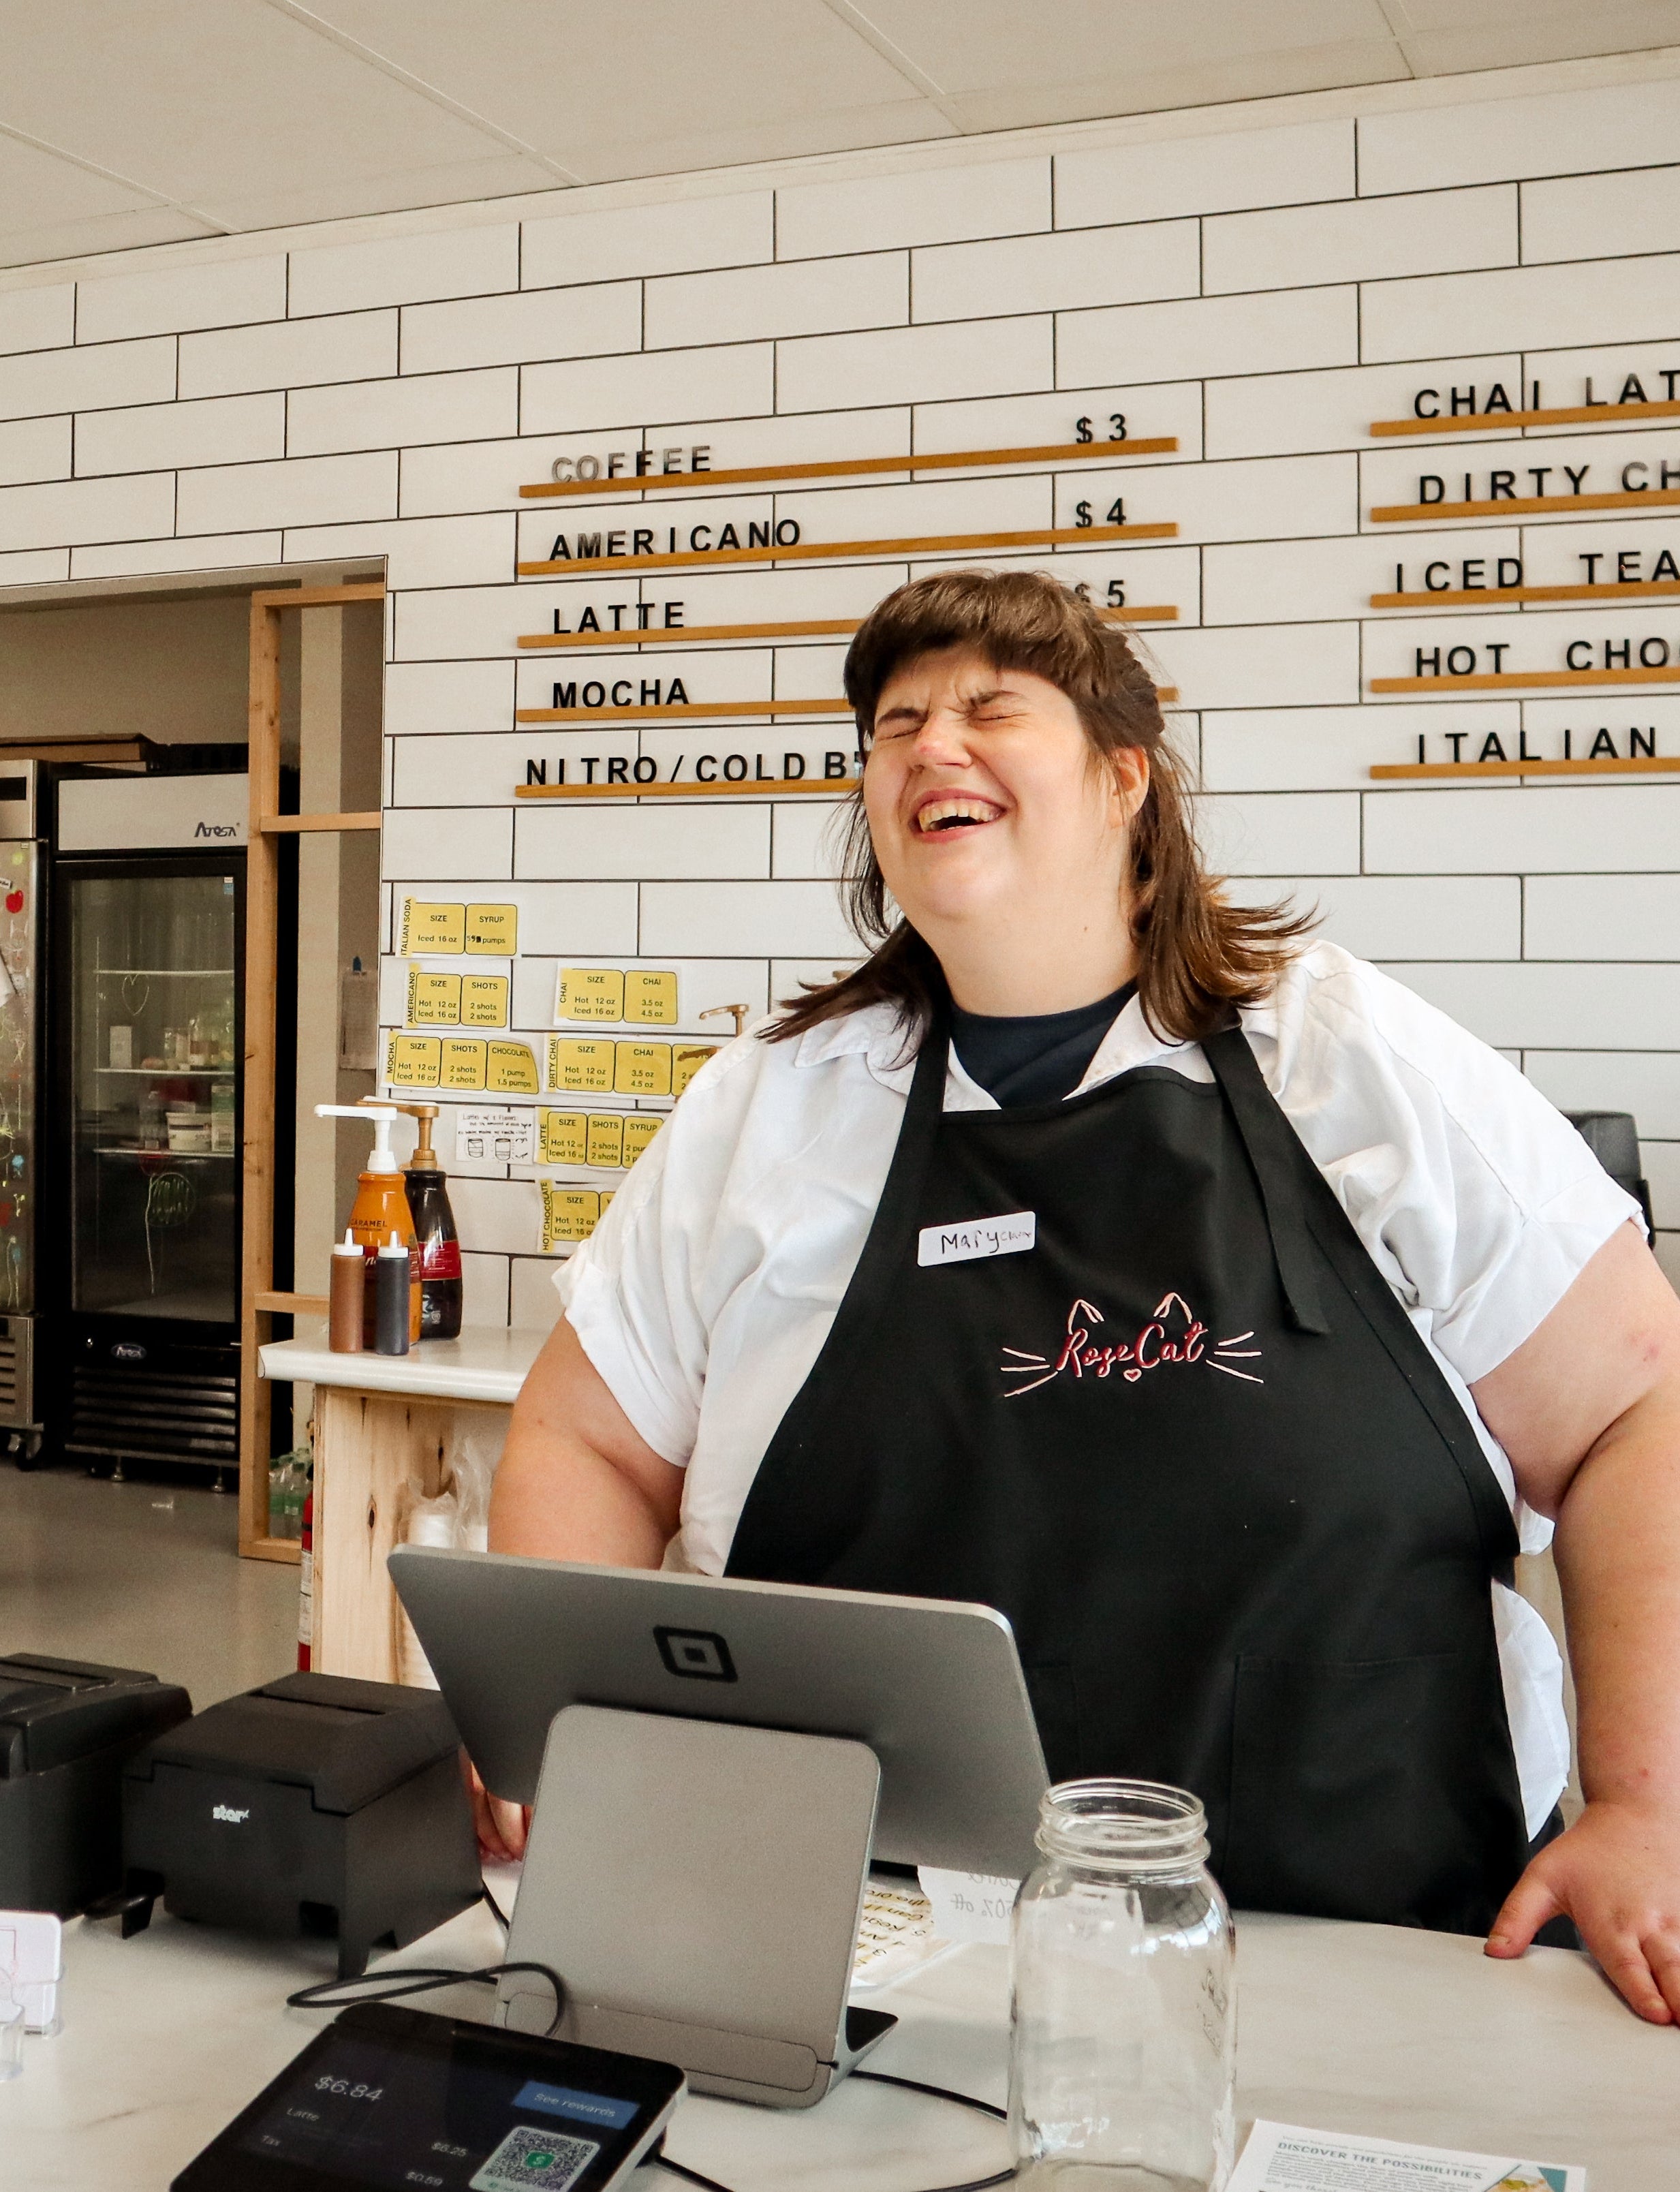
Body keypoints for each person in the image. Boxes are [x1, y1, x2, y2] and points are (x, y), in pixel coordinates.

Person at [485, 567, 1680, 2024]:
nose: (931, 745)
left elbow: (1637, 1409)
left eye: (992, 707)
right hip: (863, 1964)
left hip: (1386, 1955)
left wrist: (1642, 1808)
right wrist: (570, 1742)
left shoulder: (1346, 1055)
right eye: (896, 722)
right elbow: (587, 1442)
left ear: (1128, 779)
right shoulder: (776, 1112)